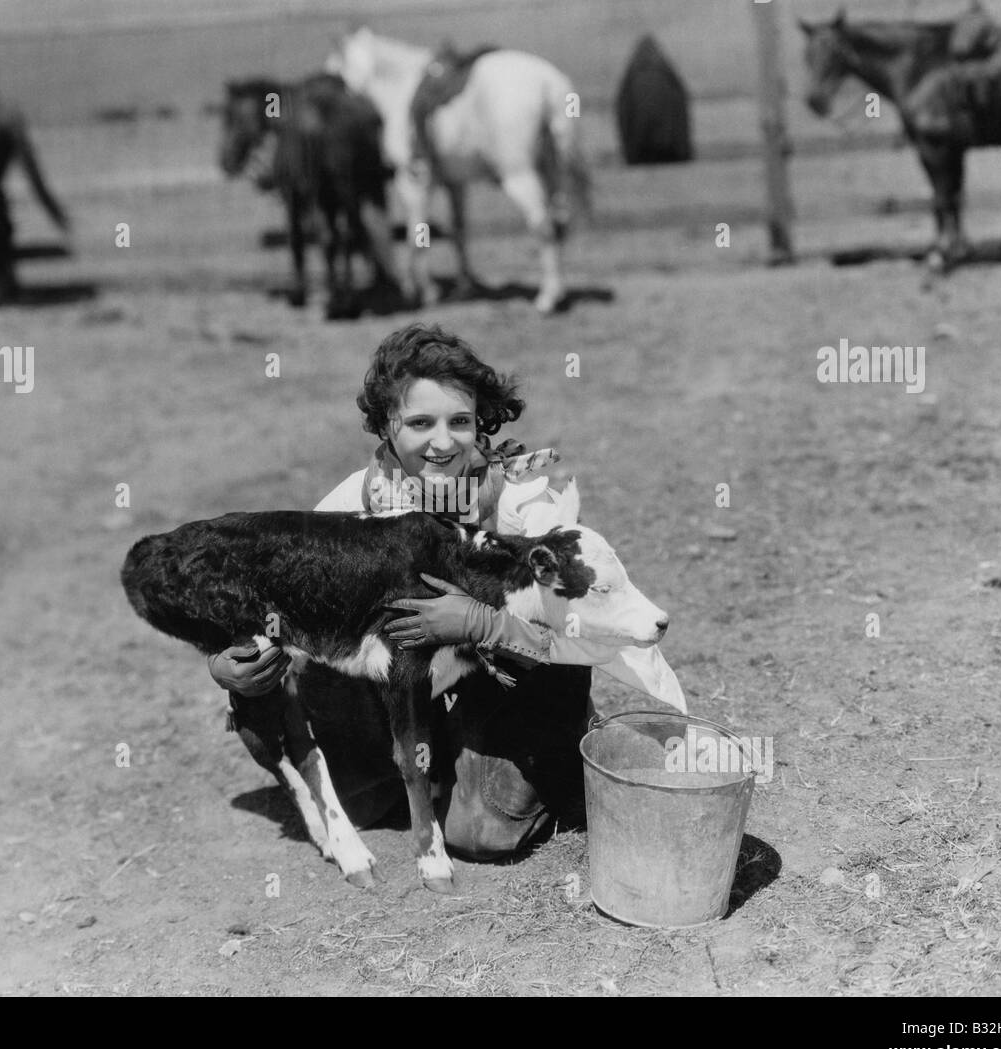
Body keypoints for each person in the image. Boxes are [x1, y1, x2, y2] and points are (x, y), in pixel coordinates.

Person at [209, 323, 684, 858]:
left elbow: (590, 630)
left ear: (480, 420)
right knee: (354, 800)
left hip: (511, 683)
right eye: (419, 422)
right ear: (387, 426)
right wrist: (229, 666)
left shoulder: (525, 503)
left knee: (481, 834)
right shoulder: (355, 502)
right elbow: (278, 598)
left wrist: (483, 623)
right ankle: (411, 769)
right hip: (410, 685)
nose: (442, 441)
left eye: (460, 421)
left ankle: (557, 752)